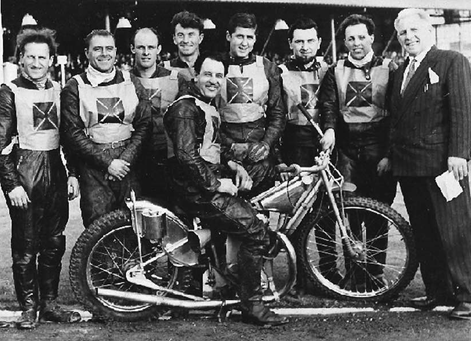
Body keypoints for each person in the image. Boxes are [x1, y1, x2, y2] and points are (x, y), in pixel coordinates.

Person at [164, 51, 288, 326]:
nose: (213, 80)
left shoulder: (204, 105)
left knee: (246, 217)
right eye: (208, 74)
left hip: (199, 187)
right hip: (196, 192)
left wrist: (233, 166)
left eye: (219, 76)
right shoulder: (186, 109)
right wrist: (218, 183)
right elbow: (187, 156)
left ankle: (229, 287)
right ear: (195, 75)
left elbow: (211, 148)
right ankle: (252, 306)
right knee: (255, 231)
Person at [390, 8, 471, 319]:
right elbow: (396, 121)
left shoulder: (451, 61)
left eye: (414, 31)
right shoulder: (400, 71)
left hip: (443, 165)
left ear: (429, 30)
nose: (408, 37)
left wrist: (459, 153)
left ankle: (467, 294)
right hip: (410, 166)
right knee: (425, 232)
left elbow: (462, 111)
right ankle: (438, 290)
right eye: (402, 33)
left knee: (456, 230)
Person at [0, 27, 81, 330]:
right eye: (30, 57)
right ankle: (28, 307)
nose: (36, 63)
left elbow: (70, 137)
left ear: (51, 60)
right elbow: (0, 144)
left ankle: (49, 304)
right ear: (19, 59)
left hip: (54, 170)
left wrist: (72, 173)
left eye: (41, 57)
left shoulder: (59, 90)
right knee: (25, 244)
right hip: (26, 171)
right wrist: (12, 184)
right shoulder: (8, 92)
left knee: (54, 242)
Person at [318, 14, 397, 290]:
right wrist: (329, 129)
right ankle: (354, 274)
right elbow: (328, 104)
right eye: (351, 38)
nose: (356, 43)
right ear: (344, 41)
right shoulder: (335, 70)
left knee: (379, 216)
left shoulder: (389, 68)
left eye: (361, 37)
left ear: (372, 38)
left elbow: (396, 114)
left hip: (378, 151)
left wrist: (389, 153)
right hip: (348, 152)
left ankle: (374, 274)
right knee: (348, 215)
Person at [60, 29, 151, 228]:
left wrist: (124, 159)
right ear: (87, 53)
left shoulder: (131, 81)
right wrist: (107, 163)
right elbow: (72, 134)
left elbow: (145, 124)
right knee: (98, 227)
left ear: (116, 51)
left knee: (132, 224)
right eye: (97, 49)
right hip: (93, 165)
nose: (104, 53)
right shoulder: (74, 86)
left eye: (109, 48)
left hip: (128, 162)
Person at [218, 13, 285, 196]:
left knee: (259, 206)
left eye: (249, 37)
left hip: (258, 149)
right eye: (239, 36)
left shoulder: (267, 67)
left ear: (255, 39)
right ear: (228, 36)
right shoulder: (216, 64)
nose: (244, 43)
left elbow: (277, 113)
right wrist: (229, 146)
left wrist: (266, 144)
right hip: (224, 149)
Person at [130, 27, 185, 203]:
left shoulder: (176, 79)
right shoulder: (123, 80)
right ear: (132, 49)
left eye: (151, 47)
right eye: (141, 47)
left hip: (167, 161)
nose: (146, 53)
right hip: (134, 160)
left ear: (159, 49)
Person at [162, 11, 204, 81]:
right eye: (180, 35)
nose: (185, 40)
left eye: (191, 35)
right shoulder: (164, 68)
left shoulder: (211, 67)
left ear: (200, 38)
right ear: (174, 39)